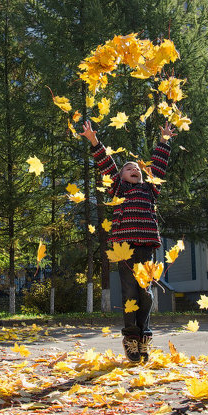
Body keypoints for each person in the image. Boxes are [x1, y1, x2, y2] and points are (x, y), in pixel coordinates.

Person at [80, 118, 176, 363]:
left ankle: (144, 337)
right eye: (129, 168)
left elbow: (159, 167)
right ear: (121, 176)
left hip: (146, 249)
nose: (135, 170)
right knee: (130, 294)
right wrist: (94, 141)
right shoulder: (119, 189)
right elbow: (107, 164)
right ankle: (131, 337)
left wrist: (164, 140)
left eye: (137, 169)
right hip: (124, 249)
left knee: (146, 294)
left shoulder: (150, 190)